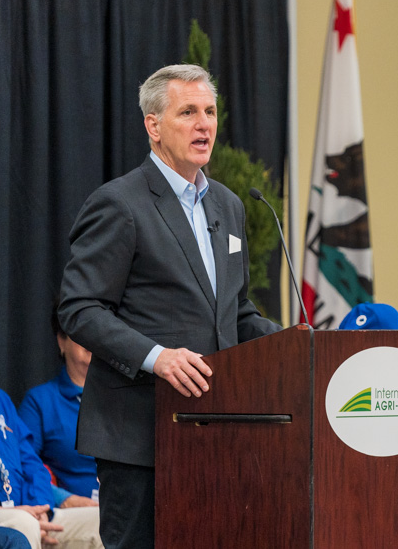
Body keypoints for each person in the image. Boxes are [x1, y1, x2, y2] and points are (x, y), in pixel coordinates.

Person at [58, 63, 283, 549]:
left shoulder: (229, 206)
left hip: (217, 431)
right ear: (153, 126)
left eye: (210, 111)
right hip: (139, 435)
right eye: (188, 112)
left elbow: (235, 312)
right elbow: (79, 308)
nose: (204, 124)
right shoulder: (120, 203)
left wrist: (290, 343)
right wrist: (157, 356)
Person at [0, 290, 101, 549]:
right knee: (22, 524)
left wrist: (39, 505)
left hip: (25, 512)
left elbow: (31, 463)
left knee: (104, 521)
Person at [18, 313, 98, 508]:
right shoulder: (40, 401)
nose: (92, 338)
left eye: (98, 331)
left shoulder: (128, 398)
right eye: (82, 331)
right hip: (74, 515)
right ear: (61, 341)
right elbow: (21, 466)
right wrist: (63, 499)